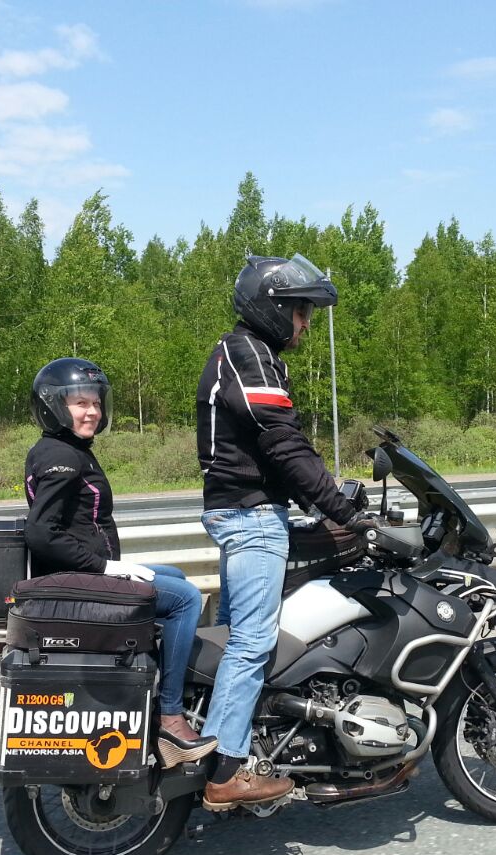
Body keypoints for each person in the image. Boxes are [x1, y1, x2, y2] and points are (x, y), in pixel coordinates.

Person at [195, 254, 376, 810]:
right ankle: (226, 771)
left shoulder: (245, 354)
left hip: (245, 511)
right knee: (251, 643)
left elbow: (273, 451)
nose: (305, 325)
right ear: (271, 308)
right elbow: (284, 445)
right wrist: (343, 512)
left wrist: (323, 500)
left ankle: (236, 745)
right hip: (250, 519)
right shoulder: (250, 356)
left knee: (233, 640)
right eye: (300, 313)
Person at [24, 357, 216, 768]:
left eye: (95, 402)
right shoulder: (63, 458)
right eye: (79, 403)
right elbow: (41, 533)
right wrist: (106, 568)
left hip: (79, 573)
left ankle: (150, 670)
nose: (92, 411)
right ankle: (170, 717)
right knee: (184, 599)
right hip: (79, 580)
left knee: (173, 576)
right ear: (53, 406)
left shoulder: (65, 450)